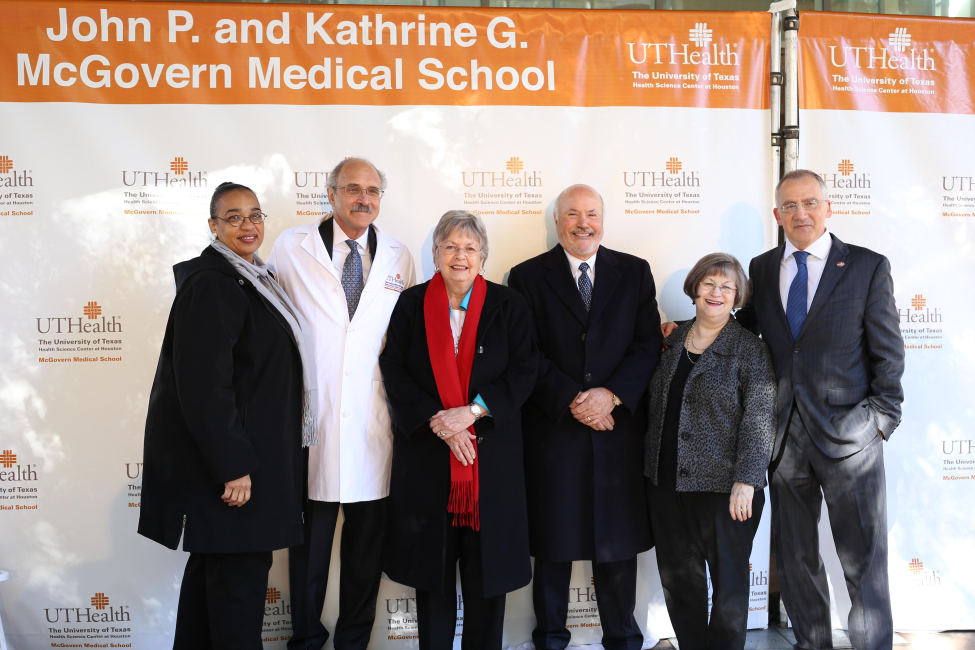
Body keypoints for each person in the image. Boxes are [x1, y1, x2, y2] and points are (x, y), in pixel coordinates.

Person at [663, 170, 905, 650]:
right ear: (777, 215)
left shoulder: (866, 267)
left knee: (863, 562)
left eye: (810, 203)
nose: (801, 214)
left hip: (851, 439)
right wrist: (685, 327)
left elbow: (889, 351)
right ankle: (812, 644)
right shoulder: (762, 265)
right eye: (790, 206)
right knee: (796, 560)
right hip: (784, 440)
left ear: (828, 207)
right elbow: (739, 322)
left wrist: (881, 418)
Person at [138, 182, 317, 649]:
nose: (247, 225)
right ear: (213, 226)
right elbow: (201, 386)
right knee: (237, 593)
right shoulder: (215, 284)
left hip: (250, 466)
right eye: (233, 217)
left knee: (212, 584)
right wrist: (233, 465)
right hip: (238, 474)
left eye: (255, 215)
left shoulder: (253, 278)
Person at [267, 157, 416, 650]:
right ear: (330, 195)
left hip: (375, 425)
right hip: (315, 422)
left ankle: (354, 640)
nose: (364, 199)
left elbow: (407, 340)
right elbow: (269, 322)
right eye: (353, 188)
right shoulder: (293, 247)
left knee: (364, 553)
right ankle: (306, 639)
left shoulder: (399, 256)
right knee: (307, 549)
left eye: (373, 190)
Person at [508, 184, 662, 650]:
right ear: (558, 223)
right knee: (554, 546)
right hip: (556, 432)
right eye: (572, 214)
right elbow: (525, 353)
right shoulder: (527, 277)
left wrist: (610, 395)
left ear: (603, 219)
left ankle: (622, 639)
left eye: (592, 213)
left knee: (616, 548)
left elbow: (647, 344)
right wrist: (576, 399)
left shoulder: (634, 273)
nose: (583, 223)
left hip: (616, 432)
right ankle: (550, 639)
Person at [379, 210, 537, 650]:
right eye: (450, 246)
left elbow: (525, 369)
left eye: (469, 248)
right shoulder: (411, 304)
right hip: (429, 462)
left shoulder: (509, 305)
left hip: (491, 464)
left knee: (487, 579)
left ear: (483, 257)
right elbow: (393, 368)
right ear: (435, 254)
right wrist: (439, 421)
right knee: (433, 575)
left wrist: (471, 412)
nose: (460, 256)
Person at [644, 252, 775, 650]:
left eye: (727, 287)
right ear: (695, 289)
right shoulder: (670, 339)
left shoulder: (749, 349)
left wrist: (747, 480)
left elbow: (760, 415)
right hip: (666, 485)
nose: (716, 293)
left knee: (730, 589)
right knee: (681, 584)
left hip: (725, 491)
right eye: (709, 284)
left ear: (737, 296)